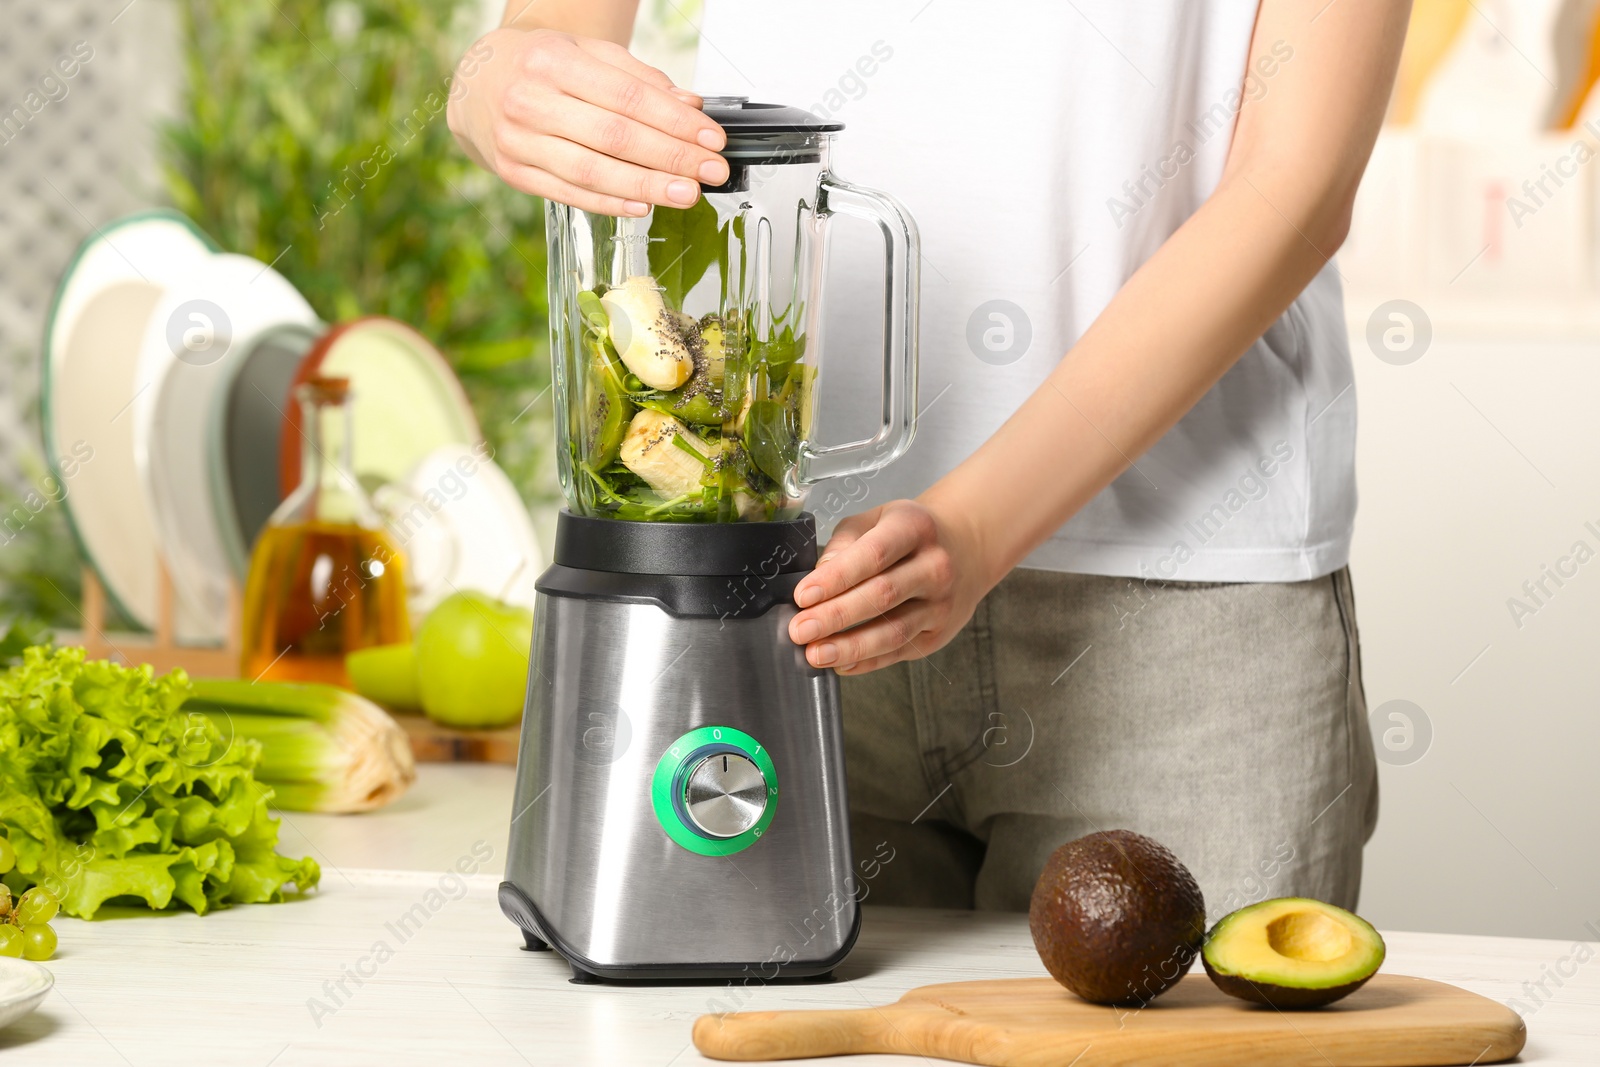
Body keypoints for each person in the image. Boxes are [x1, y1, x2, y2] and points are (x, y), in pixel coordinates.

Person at [450, 0, 1408, 916]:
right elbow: (553, 29)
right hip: (793, 592)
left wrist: (981, 525)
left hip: (1179, 627)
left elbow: (1299, 179)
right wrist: (499, 76)